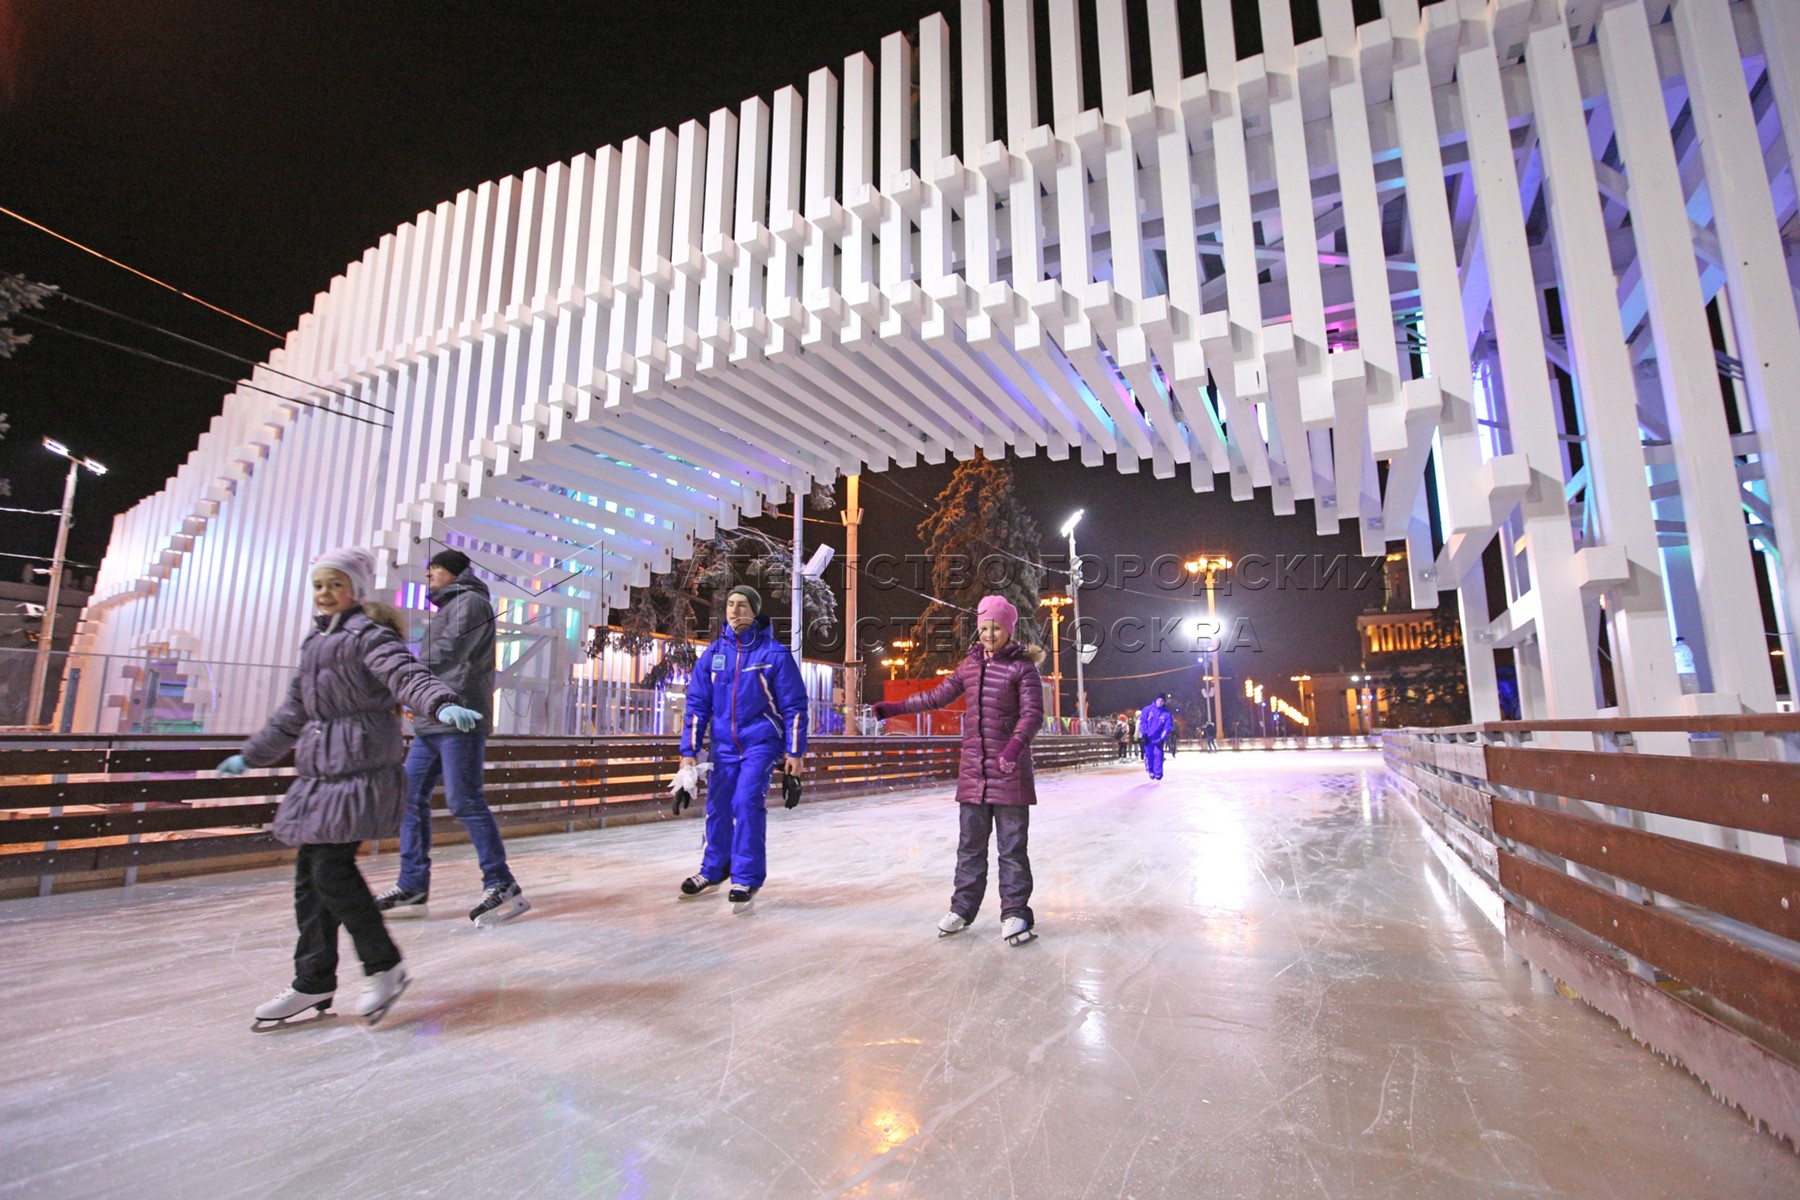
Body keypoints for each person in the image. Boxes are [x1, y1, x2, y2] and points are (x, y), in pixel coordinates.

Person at [219, 547, 481, 1030]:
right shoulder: (314, 645)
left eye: (335, 584)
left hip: (359, 772)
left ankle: (384, 965)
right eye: (319, 585)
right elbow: (293, 713)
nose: (325, 594)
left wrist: (441, 705)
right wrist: (250, 754)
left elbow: (406, 676)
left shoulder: (368, 635)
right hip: (319, 776)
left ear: (355, 590)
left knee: (331, 871)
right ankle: (313, 980)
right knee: (309, 880)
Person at [873, 595, 1045, 946]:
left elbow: (1032, 715)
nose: (988, 634)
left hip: (1009, 772)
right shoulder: (970, 665)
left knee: (1012, 847)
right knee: (969, 846)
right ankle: (963, 908)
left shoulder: (1023, 669)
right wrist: (894, 708)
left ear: (1008, 630)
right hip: (974, 773)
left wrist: (1013, 750)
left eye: (995, 627)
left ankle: (1015, 913)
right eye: (983, 627)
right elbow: (936, 697)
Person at [375, 548, 528, 927]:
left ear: (454, 572)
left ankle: (501, 882)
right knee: (409, 798)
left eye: (435, 568)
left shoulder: (470, 603)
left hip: (460, 718)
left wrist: (398, 669)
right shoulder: (450, 607)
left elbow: (446, 652)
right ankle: (412, 884)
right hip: (433, 720)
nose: (429, 574)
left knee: (465, 801)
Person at [677, 585, 807, 911]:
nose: (735, 610)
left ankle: (746, 876)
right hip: (722, 746)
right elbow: (696, 706)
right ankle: (714, 869)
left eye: (743, 605)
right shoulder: (713, 655)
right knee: (718, 807)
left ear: (755, 610)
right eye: (731, 604)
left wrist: (795, 753)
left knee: (746, 802)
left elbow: (794, 706)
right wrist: (688, 753)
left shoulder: (773, 654)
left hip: (760, 742)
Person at [1139, 693, 1174, 781]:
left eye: (1162, 701)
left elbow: (1167, 727)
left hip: (1158, 738)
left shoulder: (1166, 714)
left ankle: (1158, 773)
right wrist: (1144, 734)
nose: (1160, 702)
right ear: (1156, 700)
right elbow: (1143, 722)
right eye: (1159, 700)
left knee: (1158, 755)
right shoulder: (1147, 710)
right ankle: (1151, 771)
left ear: (1164, 702)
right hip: (1148, 737)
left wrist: (1162, 738)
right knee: (1149, 755)